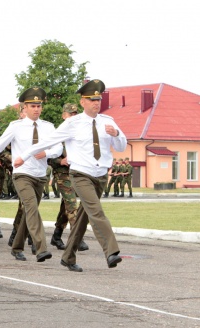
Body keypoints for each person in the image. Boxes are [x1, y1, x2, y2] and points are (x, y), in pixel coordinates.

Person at [14, 79, 127, 272]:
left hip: (100, 176)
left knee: (84, 216)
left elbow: (121, 147)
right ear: (83, 102)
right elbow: (48, 141)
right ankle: (111, 251)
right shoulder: (72, 123)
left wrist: (116, 134)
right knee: (96, 211)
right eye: (92, 100)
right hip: (81, 174)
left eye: (98, 99)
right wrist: (24, 156)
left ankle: (68, 256)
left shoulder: (108, 122)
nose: (96, 103)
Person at [0, 87, 62, 262]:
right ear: (25, 108)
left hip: (40, 175)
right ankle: (41, 248)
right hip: (22, 174)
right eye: (32, 105)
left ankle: (16, 246)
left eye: (39, 105)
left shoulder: (48, 127)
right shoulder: (16, 127)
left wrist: (46, 153)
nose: (36, 109)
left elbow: (58, 147)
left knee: (27, 212)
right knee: (31, 208)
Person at [48, 103, 89, 252]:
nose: (72, 117)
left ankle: (56, 236)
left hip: (76, 173)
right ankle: (78, 238)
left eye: (74, 114)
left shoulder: (79, 133)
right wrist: (60, 161)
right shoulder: (57, 133)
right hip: (62, 173)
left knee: (66, 206)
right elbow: (47, 157)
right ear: (63, 115)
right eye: (69, 114)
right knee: (72, 203)